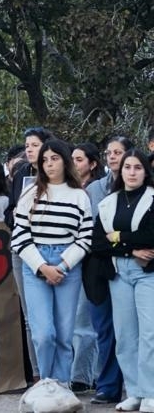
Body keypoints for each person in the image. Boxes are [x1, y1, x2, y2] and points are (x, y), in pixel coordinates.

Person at [12, 139, 92, 386]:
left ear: (65, 161)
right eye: (45, 160)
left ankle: (63, 384)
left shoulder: (79, 196)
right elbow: (20, 234)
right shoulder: (30, 193)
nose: (49, 164)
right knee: (44, 332)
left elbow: (85, 236)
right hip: (35, 263)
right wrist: (42, 266)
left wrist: (63, 265)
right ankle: (46, 382)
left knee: (64, 333)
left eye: (54, 158)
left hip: (67, 264)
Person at [90, 149, 154, 413]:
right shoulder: (108, 202)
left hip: (147, 272)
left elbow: (150, 237)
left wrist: (117, 237)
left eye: (137, 168)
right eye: (128, 167)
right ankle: (134, 391)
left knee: (149, 333)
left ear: (145, 172)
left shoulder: (152, 199)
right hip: (119, 273)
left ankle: (150, 392)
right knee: (126, 335)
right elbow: (97, 243)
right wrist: (129, 247)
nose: (131, 172)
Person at [87, 136, 134, 405]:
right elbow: (95, 235)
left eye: (118, 152)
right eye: (109, 152)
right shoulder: (95, 189)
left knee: (133, 330)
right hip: (101, 266)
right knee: (104, 328)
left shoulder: (144, 189)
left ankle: (139, 386)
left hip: (134, 266)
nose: (113, 157)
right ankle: (107, 386)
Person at [9, 126, 54, 383]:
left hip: (51, 248)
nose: (28, 149)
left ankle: (59, 375)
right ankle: (37, 375)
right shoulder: (21, 174)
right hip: (22, 248)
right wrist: (15, 215)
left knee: (52, 319)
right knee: (29, 316)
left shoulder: (58, 176)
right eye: (27, 145)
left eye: (34, 144)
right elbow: (11, 209)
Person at [70, 142, 104, 393]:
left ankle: (83, 376)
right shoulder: (66, 188)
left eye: (79, 159)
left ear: (92, 164)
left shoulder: (96, 189)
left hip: (89, 259)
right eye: (72, 158)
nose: (74, 163)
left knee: (84, 321)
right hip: (63, 260)